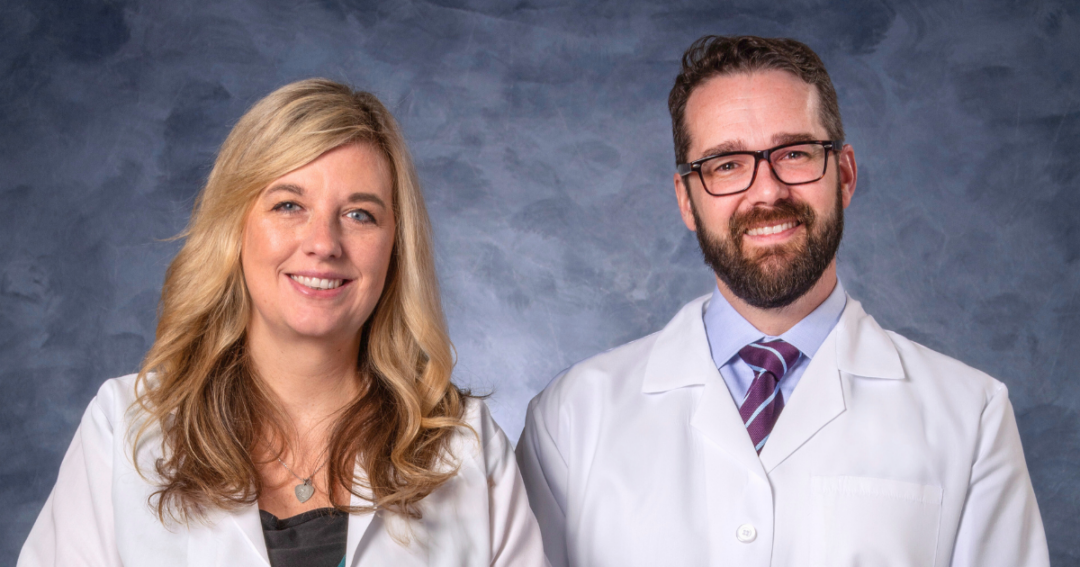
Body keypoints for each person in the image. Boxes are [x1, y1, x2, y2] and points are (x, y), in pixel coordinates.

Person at [516, 35, 1049, 567]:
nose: (767, 192)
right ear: (686, 199)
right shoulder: (571, 418)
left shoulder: (970, 415)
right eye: (726, 164)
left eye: (794, 153)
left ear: (843, 175)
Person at [20, 78, 547, 566]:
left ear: (396, 248)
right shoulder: (127, 427)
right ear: (235, 228)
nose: (323, 243)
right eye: (289, 204)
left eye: (360, 213)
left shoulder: (462, 445)